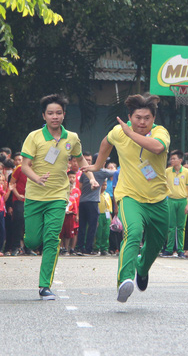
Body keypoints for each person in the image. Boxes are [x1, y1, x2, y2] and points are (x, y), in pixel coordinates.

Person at [84, 94, 170, 303]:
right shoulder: (118, 131)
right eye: (138, 117)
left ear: (153, 119)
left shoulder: (160, 132)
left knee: (156, 244)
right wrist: (97, 165)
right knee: (133, 232)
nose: (142, 122)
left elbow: (157, 147)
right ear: (130, 117)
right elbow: (106, 141)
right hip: (129, 196)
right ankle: (125, 280)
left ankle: (142, 267)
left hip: (158, 199)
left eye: (147, 118)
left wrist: (130, 133)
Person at [19, 94, 96, 300]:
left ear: (64, 115)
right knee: (34, 241)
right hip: (35, 196)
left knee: (52, 239)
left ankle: (45, 286)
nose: (55, 117)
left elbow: (80, 160)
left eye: (59, 113)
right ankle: (30, 240)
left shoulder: (71, 138)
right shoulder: (34, 137)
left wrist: (91, 176)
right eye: (50, 113)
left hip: (58, 196)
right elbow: (25, 166)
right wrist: (37, 178)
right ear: (44, 115)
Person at [75, 152, 114, 256]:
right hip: (93, 202)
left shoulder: (85, 171)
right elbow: (115, 172)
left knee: (82, 226)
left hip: (83, 201)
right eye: (104, 160)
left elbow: (81, 186)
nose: (105, 162)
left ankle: (79, 248)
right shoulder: (102, 172)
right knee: (93, 226)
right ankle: (88, 249)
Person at [163, 150, 188, 258]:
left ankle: (180, 249)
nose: (172, 160)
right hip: (170, 200)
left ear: (180, 160)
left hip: (182, 200)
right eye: (171, 158)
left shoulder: (187, 172)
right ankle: (169, 248)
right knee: (171, 226)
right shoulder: (167, 171)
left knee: (181, 227)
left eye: (174, 158)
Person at [95, 179, 113, 255]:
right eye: (103, 185)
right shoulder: (96, 194)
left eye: (105, 185)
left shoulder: (107, 195)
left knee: (106, 233)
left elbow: (109, 207)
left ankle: (104, 248)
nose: (104, 187)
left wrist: (110, 217)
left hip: (107, 215)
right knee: (98, 232)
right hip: (99, 215)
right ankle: (96, 248)